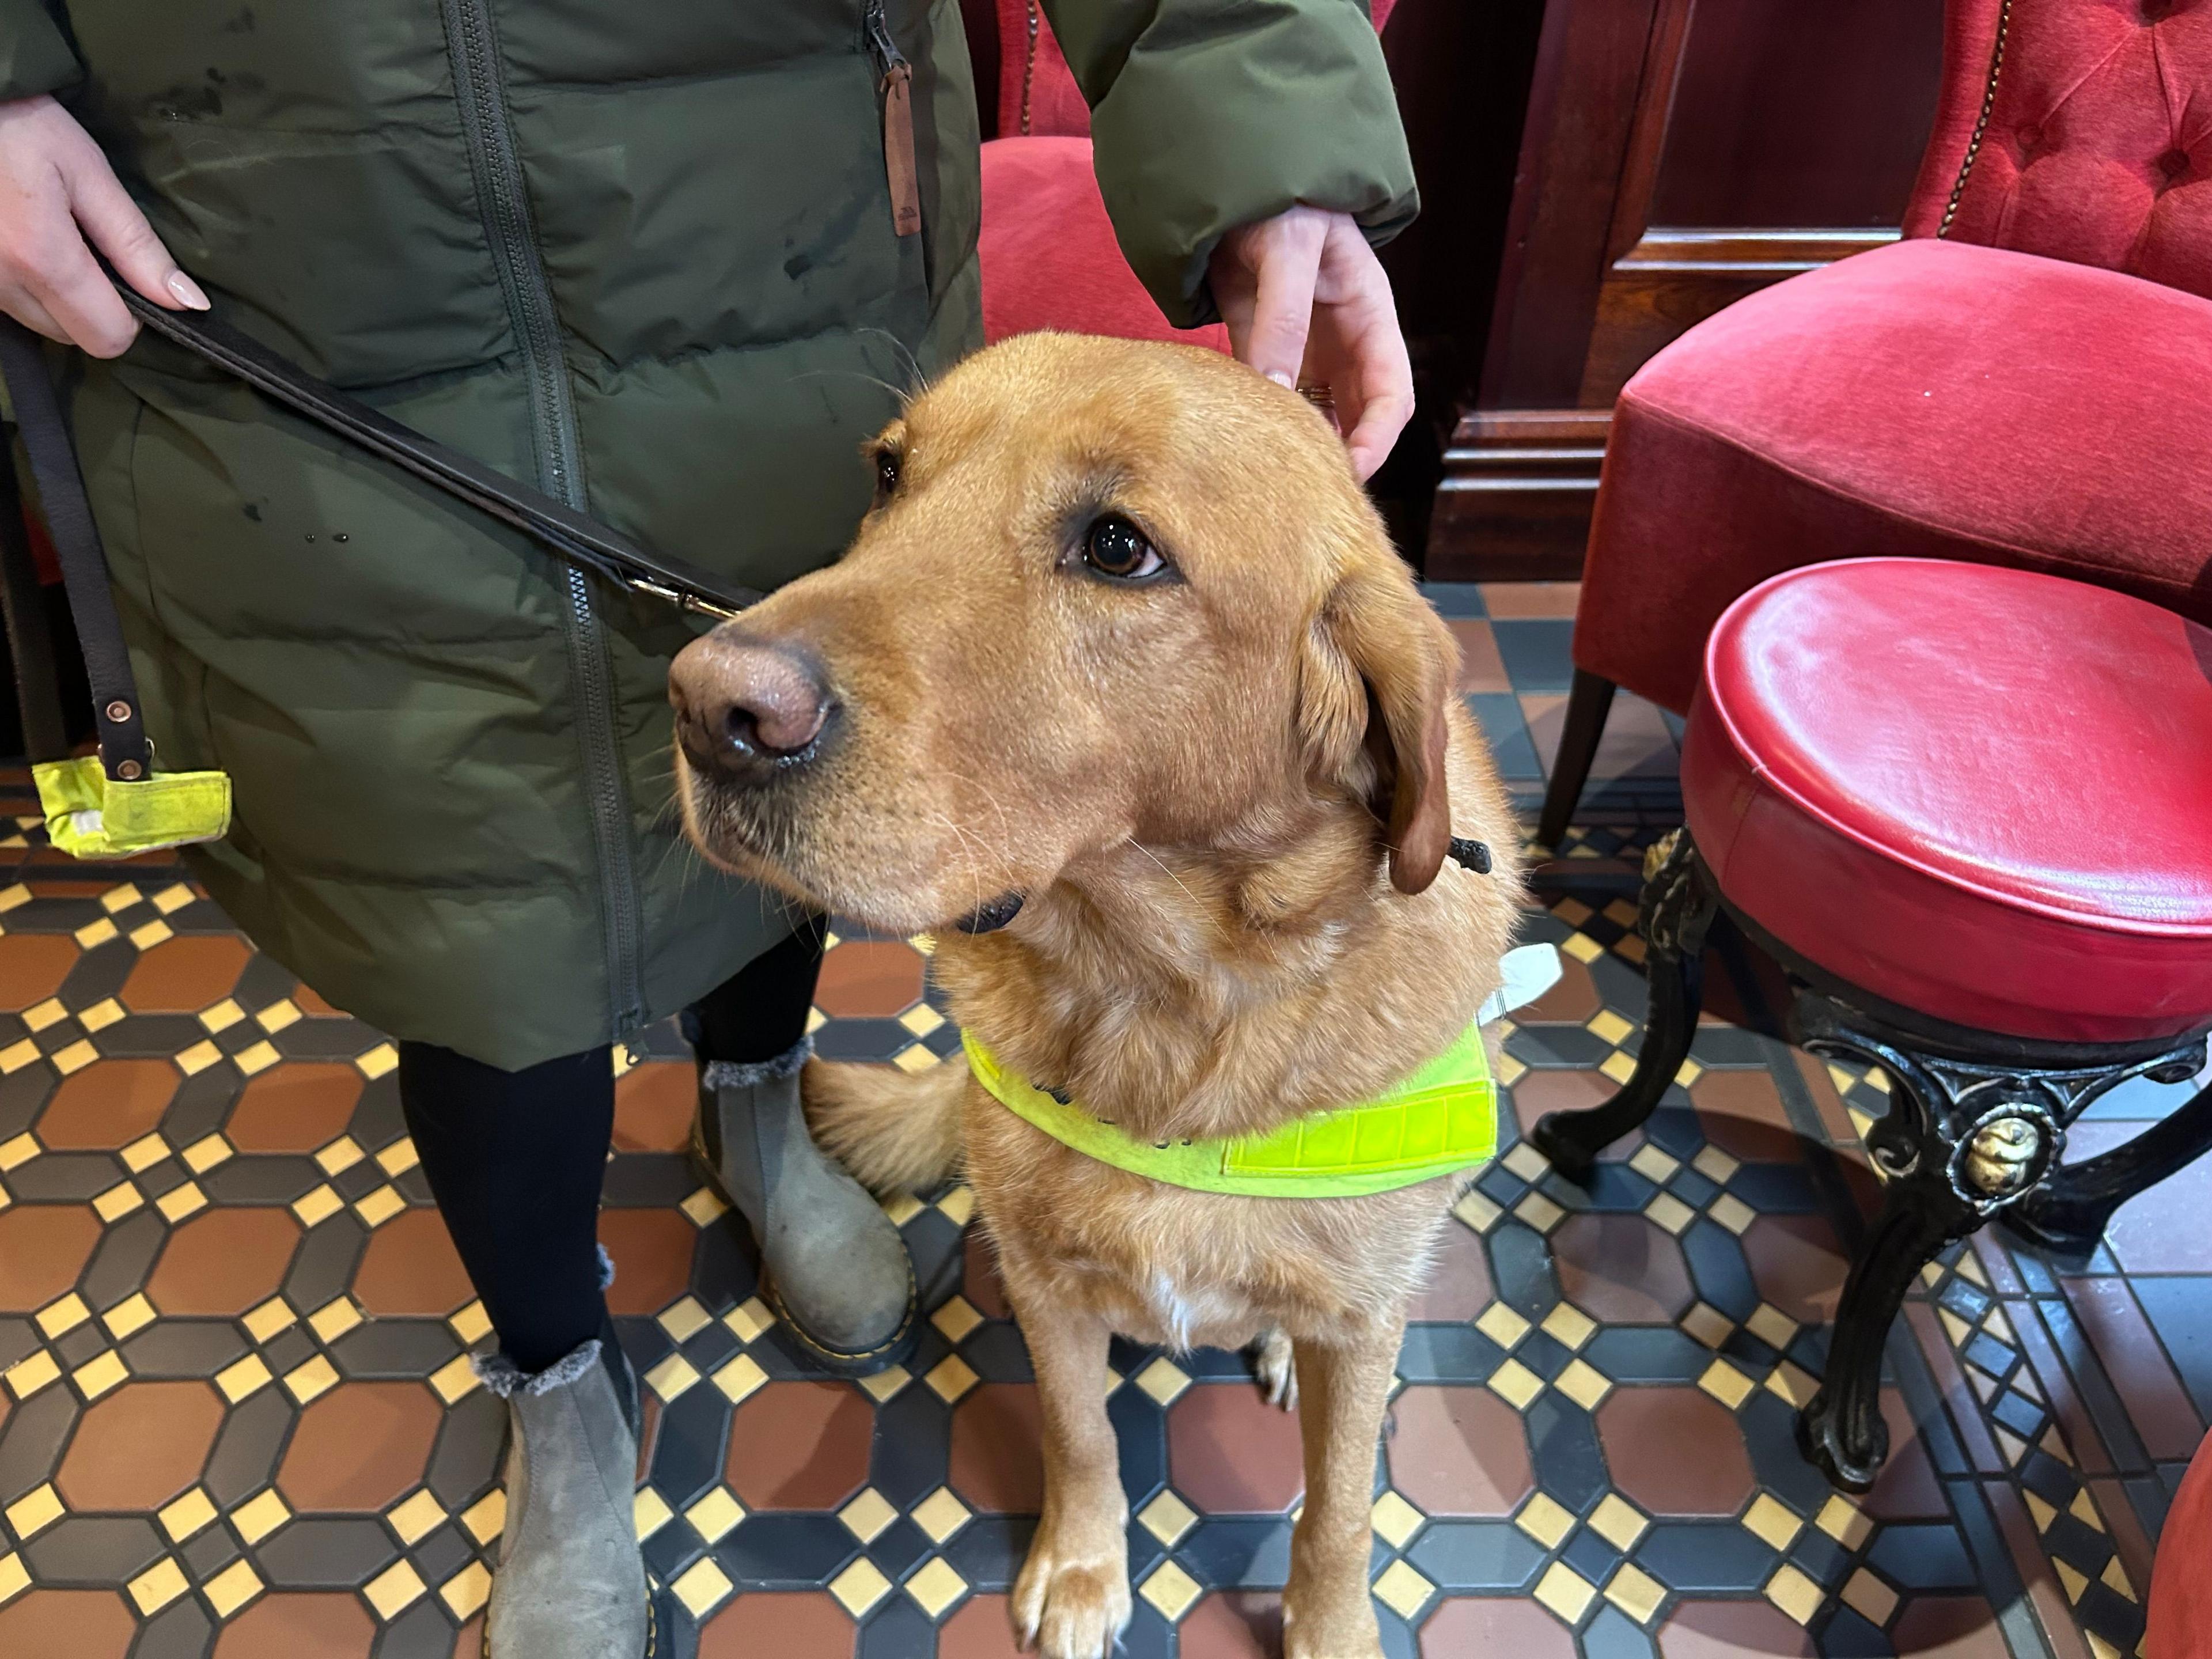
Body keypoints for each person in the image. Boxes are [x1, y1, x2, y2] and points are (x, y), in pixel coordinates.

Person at [0, 4, 1417, 1654]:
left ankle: (759, 1122)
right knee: (467, 913)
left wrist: (1266, 129)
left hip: (763, 239)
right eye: (907, 479)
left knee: (813, 804)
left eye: (1117, 554)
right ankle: (557, 1384)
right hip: (287, 275)